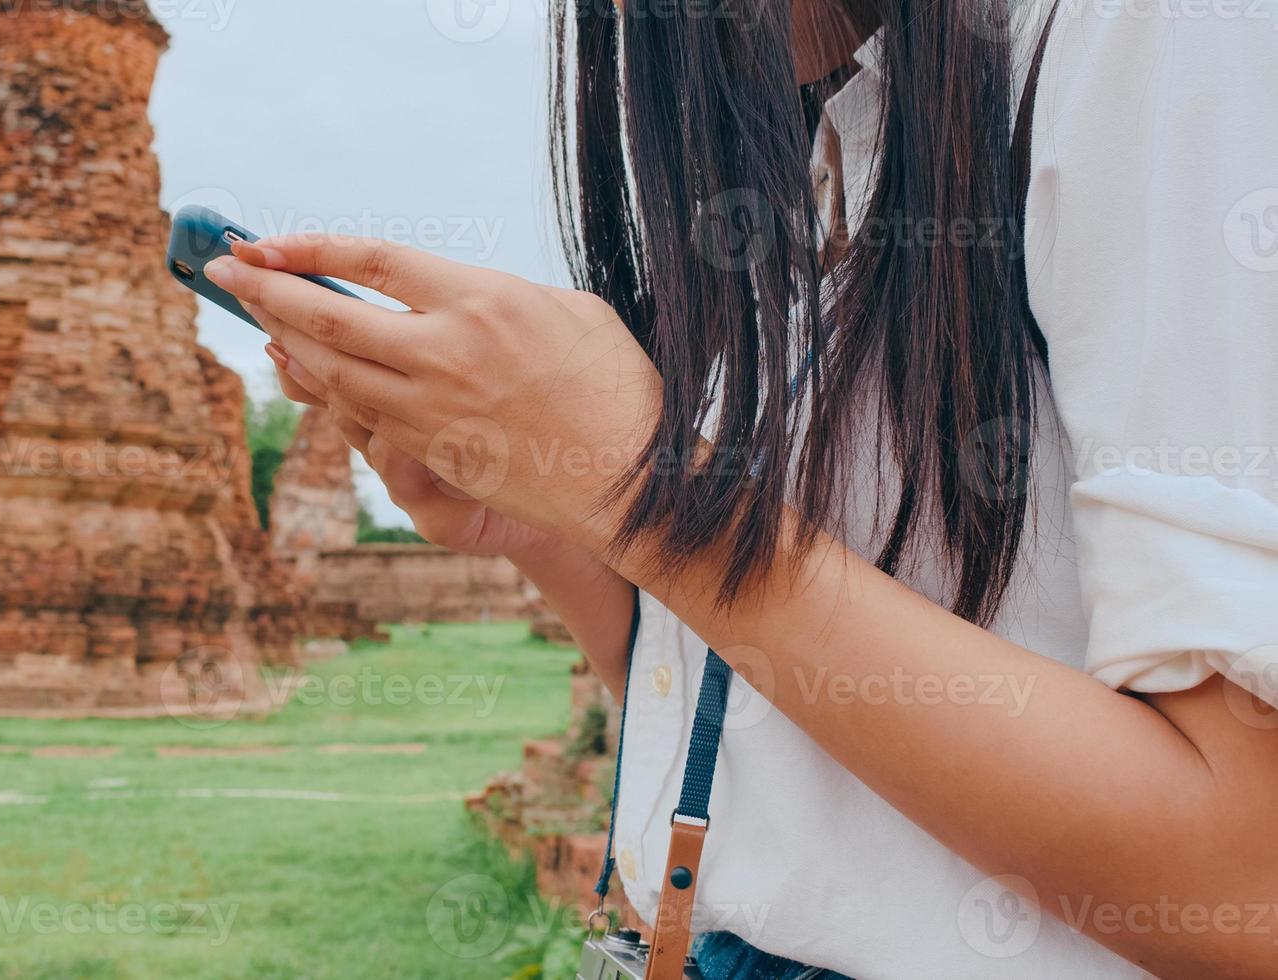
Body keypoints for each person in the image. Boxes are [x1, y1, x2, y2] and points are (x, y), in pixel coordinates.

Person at [202, 0, 1278, 975]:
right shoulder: (846, 131)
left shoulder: (1155, 33)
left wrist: (649, 488)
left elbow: (1244, 883)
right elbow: (778, 724)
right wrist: (555, 526)